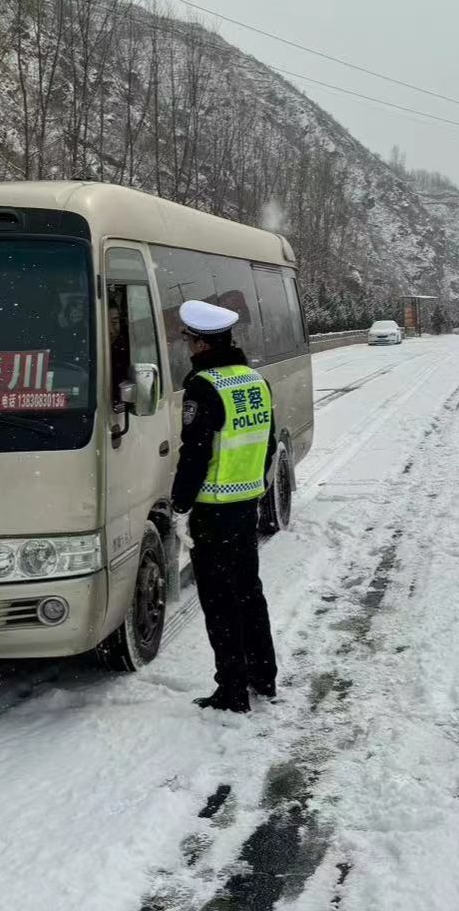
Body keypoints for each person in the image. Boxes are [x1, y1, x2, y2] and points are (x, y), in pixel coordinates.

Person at [170, 299, 278, 713]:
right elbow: (266, 446)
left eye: (190, 341)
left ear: (200, 344)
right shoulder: (254, 380)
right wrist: (251, 485)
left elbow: (194, 453)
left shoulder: (203, 386)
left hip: (211, 511)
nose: (189, 347)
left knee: (218, 601)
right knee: (249, 593)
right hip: (245, 504)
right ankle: (263, 676)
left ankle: (231, 690)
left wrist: (181, 506)